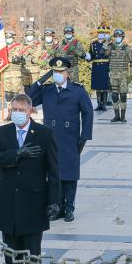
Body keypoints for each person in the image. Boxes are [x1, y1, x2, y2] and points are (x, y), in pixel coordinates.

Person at [0, 93, 60, 264]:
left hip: (33, 205)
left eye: (21, 110)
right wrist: (17, 154)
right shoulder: (2, 133)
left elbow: (54, 172)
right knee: (12, 258)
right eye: (14, 110)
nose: (17, 114)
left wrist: (55, 201)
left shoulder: (44, 134)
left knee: (32, 257)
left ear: (31, 111)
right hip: (7, 205)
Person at [27, 57, 93, 222]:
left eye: (60, 71)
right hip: (50, 137)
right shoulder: (47, 90)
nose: (58, 74)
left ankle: (69, 208)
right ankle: (56, 207)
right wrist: (41, 81)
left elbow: (88, 113)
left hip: (70, 138)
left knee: (70, 174)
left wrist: (84, 136)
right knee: (53, 174)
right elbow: (28, 99)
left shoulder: (77, 90)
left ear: (67, 73)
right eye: (55, 72)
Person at [107, 28, 132, 123]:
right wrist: (106, 42)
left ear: (122, 37)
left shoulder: (127, 48)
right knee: (114, 96)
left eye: (119, 36)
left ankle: (123, 116)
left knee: (123, 95)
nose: (117, 38)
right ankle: (116, 115)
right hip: (113, 75)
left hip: (123, 75)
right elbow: (103, 53)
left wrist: (131, 74)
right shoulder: (110, 47)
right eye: (116, 36)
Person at [2, 31, 24, 121]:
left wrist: (6, 59)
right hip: (6, 72)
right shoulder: (2, 48)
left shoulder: (18, 47)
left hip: (15, 73)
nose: (8, 39)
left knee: (15, 94)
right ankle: (10, 113)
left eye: (10, 37)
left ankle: (16, 112)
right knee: (8, 94)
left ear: (13, 37)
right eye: (6, 37)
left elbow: (16, 59)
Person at [89, 23, 111, 112]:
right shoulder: (93, 44)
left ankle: (104, 104)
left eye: (102, 33)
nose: (100, 34)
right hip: (96, 67)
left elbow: (108, 55)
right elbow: (91, 54)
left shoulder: (108, 43)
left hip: (105, 66)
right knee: (98, 86)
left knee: (104, 86)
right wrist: (88, 57)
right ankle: (99, 105)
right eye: (99, 32)